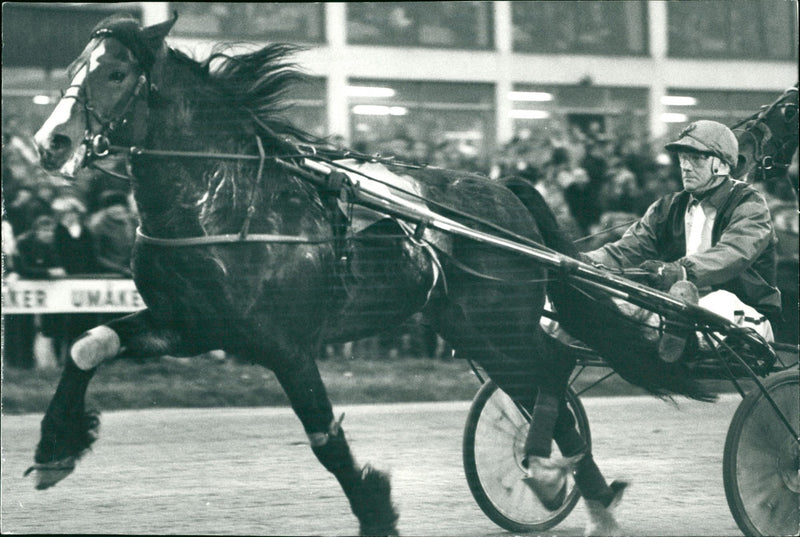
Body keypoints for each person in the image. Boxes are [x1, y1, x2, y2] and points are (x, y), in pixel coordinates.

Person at [584, 120, 780, 362]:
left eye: (696, 158)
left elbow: (734, 252)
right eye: (682, 158)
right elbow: (624, 251)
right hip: (677, 305)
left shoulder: (749, 203)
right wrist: (583, 261)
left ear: (720, 164)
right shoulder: (668, 207)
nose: (685, 167)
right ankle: (673, 332)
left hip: (746, 314)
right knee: (607, 302)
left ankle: (679, 337)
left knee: (720, 300)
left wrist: (681, 272)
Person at [87, 191, 137, 277]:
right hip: (108, 273)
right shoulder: (97, 226)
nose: (118, 209)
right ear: (105, 209)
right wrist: (121, 269)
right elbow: (95, 255)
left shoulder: (132, 222)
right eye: (112, 207)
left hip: (133, 270)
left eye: (121, 206)